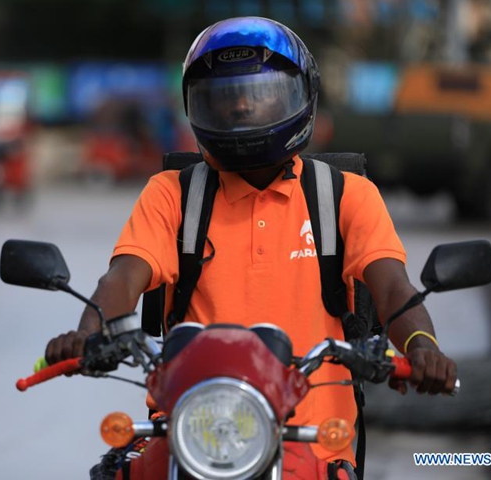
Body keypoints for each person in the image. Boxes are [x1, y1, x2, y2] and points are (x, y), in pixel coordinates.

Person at [45, 16, 457, 478]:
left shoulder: (346, 196)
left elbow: (393, 287)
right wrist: (90, 332)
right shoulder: (172, 194)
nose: (241, 105)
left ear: (302, 97)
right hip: (190, 431)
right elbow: (122, 278)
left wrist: (422, 347)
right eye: (223, 96)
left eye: (260, 94)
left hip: (311, 444)